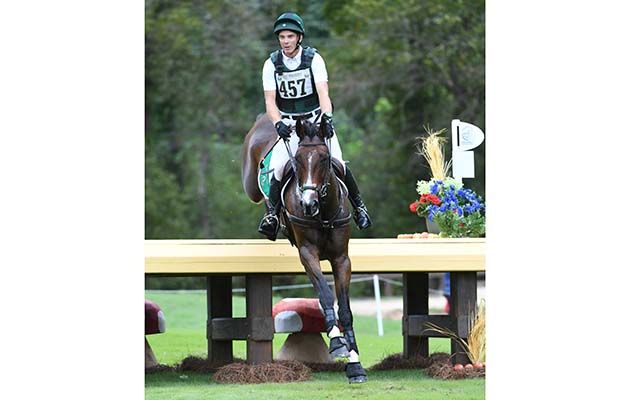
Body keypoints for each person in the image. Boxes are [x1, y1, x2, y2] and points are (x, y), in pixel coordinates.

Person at [257, 12, 372, 241]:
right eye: (282, 37)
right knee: (279, 168)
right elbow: (270, 101)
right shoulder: (271, 64)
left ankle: (359, 208)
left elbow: (323, 93)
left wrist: (327, 118)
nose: (285, 41)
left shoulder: (314, 59)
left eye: (290, 36)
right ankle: (271, 217)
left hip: (316, 121)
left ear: (299, 38)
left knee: (338, 162)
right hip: (289, 123)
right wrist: (278, 123)